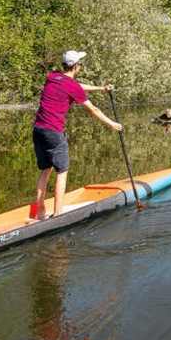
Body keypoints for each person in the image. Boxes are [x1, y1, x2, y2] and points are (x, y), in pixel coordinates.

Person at [32, 50, 123, 220]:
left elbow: (76, 86)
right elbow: (93, 109)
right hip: (53, 132)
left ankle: (40, 212)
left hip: (38, 129)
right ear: (76, 66)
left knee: (45, 169)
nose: (81, 66)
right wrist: (112, 124)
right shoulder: (70, 85)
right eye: (80, 64)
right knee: (62, 171)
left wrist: (101, 88)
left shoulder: (52, 77)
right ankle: (58, 214)